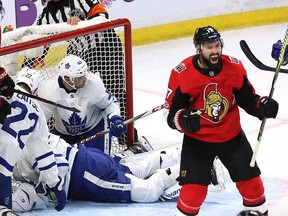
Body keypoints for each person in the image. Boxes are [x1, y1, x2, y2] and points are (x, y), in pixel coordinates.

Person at [164, 25, 279, 216]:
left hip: (231, 137)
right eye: (209, 47)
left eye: (217, 45)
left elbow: (248, 99)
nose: (215, 50)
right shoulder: (181, 73)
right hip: (198, 141)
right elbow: (171, 114)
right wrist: (182, 119)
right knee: (192, 195)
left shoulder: (233, 67)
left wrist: (262, 105)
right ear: (198, 48)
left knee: (253, 188)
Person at [11, 133, 181, 212]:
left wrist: (51, 187)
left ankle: (192, 170)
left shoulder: (22, 149)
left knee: (149, 191)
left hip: (87, 175)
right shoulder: (22, 132)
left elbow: (60, 166)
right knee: (136, 170)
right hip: (88, 159)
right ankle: (181, 152)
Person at [0, 67, 67, 215]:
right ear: (36, 90)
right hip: (4, 171)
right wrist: (54, 183)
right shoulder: (38, 112)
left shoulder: (3, 94)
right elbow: (42, 153)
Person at [37, 54, 127, 153]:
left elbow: (109, 103)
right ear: (67, 79)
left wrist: (115, 117)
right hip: (62, 133)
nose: (85, 79)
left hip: (93, 129)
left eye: (84, 75)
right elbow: (41, 118)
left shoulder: (94, 84)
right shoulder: (49, 90)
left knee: (98, 165)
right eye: (79, 77)